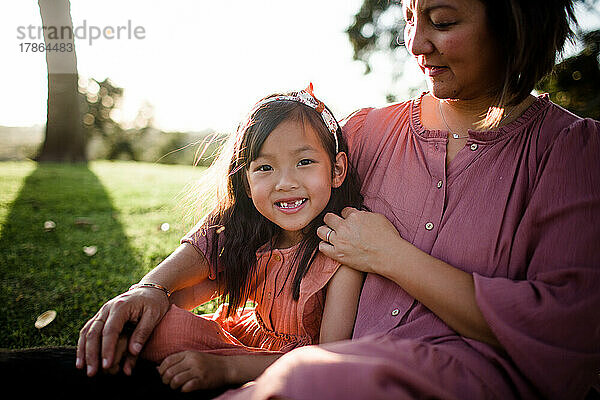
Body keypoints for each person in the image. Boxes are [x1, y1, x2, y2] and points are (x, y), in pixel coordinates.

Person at [198, 0, 599, 399]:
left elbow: (565, 327)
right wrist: (152, 289)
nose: (416, 43)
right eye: (410, 19)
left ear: (514, 26)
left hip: (462, 380)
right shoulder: (366, 132)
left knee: (304, 381)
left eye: (442, 22)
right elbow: (242, 220)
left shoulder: (573, 153)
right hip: (332, 368)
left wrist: (392, 256)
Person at [75, 84, 365, 392]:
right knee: (155, 329)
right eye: (265, 167)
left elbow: (329, 358)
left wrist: (226, 367)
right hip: (240, 341)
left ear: (337, 169)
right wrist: (139, 317)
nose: (285, 182)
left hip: (292, 368)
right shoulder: (256, 238)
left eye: (304, 162)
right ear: (246, 181)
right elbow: (181, 297)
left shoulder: (340, 252)